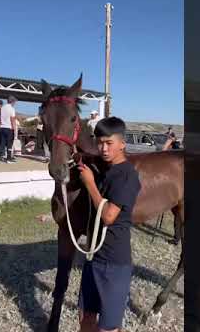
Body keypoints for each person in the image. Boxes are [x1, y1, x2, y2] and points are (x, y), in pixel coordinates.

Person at [77, 116, 142, 332]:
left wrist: (89, 184)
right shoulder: (105, 170)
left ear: (122, 143)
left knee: (109, 327)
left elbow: (108, 216)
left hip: (114, 263)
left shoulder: (127, 176)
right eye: (100, 142)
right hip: (93, 257)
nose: (103, 149)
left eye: (109, 143)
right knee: (85, 317)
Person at [0, 95, 17, 163]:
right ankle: (8, 159)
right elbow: (12, 119)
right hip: (9, 128)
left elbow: (1, 118)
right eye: (14, 101)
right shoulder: (12, 109)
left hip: (2, 127)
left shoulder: (3, 108)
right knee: (10, 144)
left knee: (2, 143)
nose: (15, 103)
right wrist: (14, 129)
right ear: (12, 101)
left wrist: (0, 125)